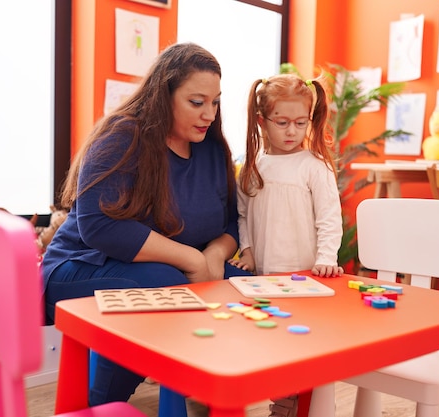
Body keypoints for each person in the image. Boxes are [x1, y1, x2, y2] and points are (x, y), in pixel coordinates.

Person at [41, 42, 251, 405]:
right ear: (163, 94)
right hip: (80, 265)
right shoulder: (122, 135)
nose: (209, 114)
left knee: (247, 289)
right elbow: (99, 226)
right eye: (196, 102)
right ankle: (98, 407)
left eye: (215, 102)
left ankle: (212, 393)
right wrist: (190, 259)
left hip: (170, 269)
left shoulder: (213, 149)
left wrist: (215, 255)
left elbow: (232, 224)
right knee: (165, 289)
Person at [228, 73, 344, 417]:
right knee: (272, 341)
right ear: (262, 122)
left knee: (303, 344)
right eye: (282, 122)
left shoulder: (314, 166)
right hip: (265, 276)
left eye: (300, 122)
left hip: (306, 278)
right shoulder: (253, 166)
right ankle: (282, 401)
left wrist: (326, 258)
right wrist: (246, 251)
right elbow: (243, 215)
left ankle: (299, 404)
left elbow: (329, 218)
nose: (292, 131)